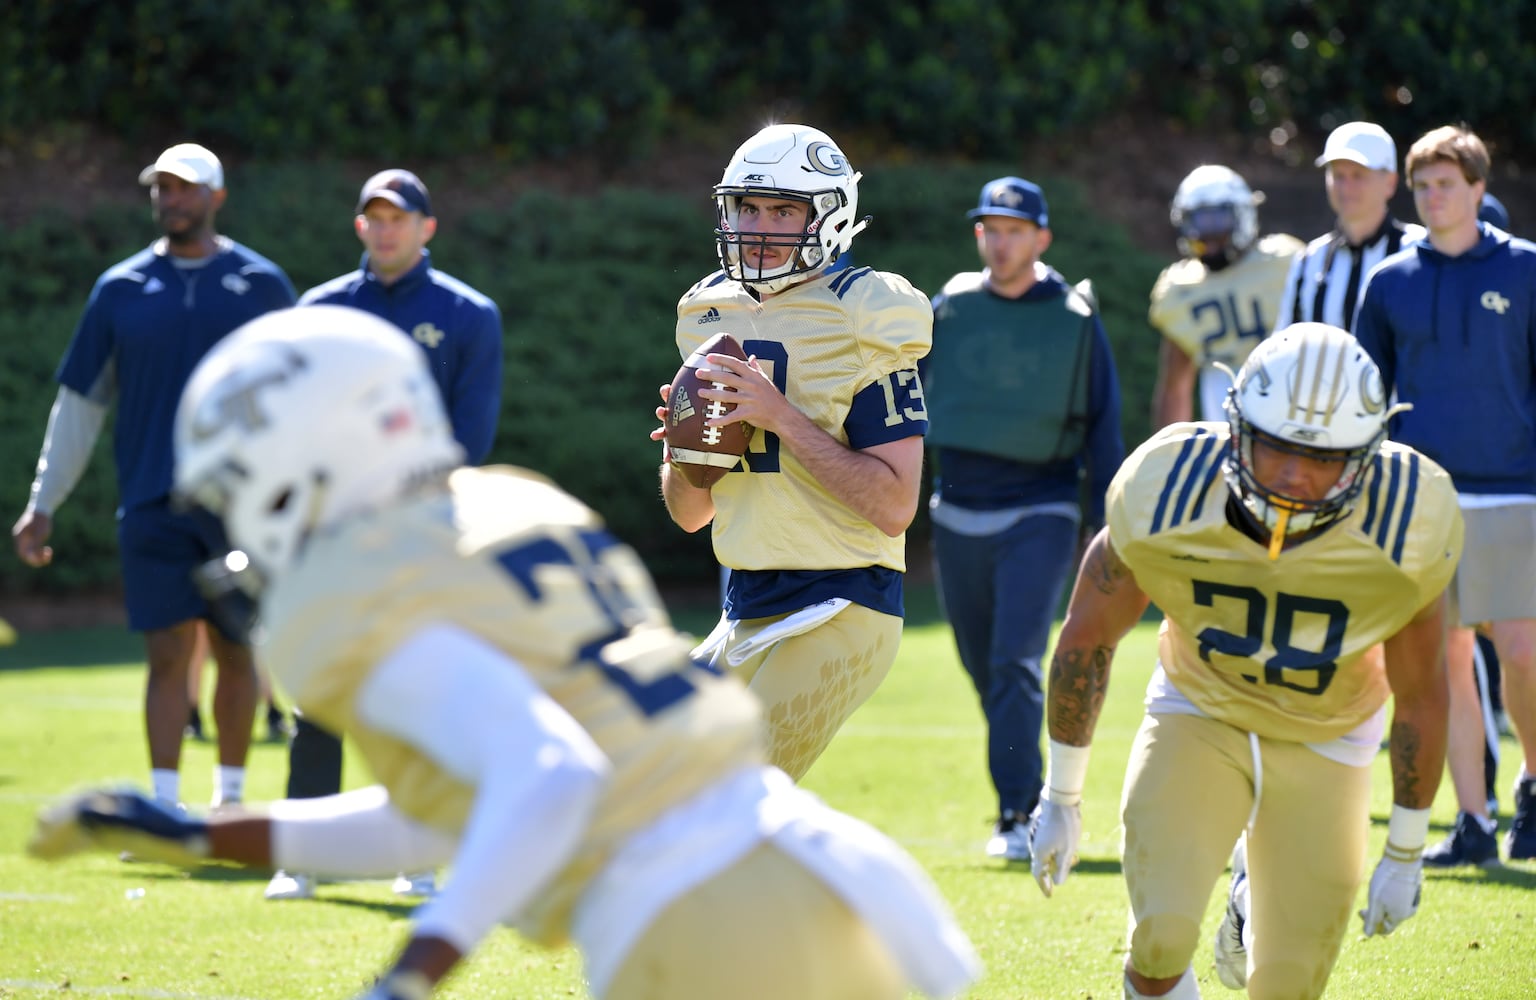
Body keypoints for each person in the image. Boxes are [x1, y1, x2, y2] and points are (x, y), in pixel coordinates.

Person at [27, 304, 980, 1000]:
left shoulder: (365, 595)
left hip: (698, 923)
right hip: (824, 870)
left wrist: (412, 970)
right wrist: (205, 833)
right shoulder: (517, 507)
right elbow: (472, 809)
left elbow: (545, 780)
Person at [1028, 323, 1464, 1000]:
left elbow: (1423, 693)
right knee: (1161, 935)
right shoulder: (1166, 491)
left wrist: (1406, 849)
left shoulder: (1407, 527)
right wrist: (1060, 794)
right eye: (1277, 449)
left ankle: (1247, 898)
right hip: (1198, 709)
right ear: (1236, 429)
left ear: (1367, 455)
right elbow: (1087, 638)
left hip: (1330, 738)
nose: (1294, 476)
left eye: (1323, 458)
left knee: (1287, 985)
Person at [10, 142, 296, 811]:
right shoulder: (120, 290)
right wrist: (43, 501)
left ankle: (229, 804)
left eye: (185, 189)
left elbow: (299, 396)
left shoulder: (262, 286)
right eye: (161, 189)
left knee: (237, 651)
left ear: (217, 197)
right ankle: (165, 806)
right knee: (167, 654)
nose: (171, 200)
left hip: (243, 505)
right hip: (150, 500)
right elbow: (80, 405)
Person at [651, 123, 931, 781]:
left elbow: (894, 505)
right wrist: (689, 450)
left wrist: (779, 417)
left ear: (828, 219)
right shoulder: (707, 311)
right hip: (745, 603)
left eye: (783, 210)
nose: (760, 227)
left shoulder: (864, 309)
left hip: (842, 600)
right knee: (644, 787)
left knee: (730, 803)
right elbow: (688, 513)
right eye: (748, 208)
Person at [268, 167, 505, 902]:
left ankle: (417, 854)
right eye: (374, 216)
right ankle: (300, 855)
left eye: (399, 217)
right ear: (358, 226)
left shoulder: (469, 315)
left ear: (426, 227)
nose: (386, 228)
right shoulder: (320, 309)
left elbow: (471, 436)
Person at [922, 176, 1124, 860]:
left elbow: (1104, 422)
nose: (999, 241)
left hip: (1042, 505)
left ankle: (1017, 811)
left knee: (1014, 661)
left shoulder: (1074, 315)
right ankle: (1026, 784)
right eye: (989, 228)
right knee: (983, 667)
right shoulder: (948, 306)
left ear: (1042, 237)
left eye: (1013, 229)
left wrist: (1107, 525)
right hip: (957, 508)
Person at [1355, 123, 1536, 866]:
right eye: (1422, 185)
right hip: (1424, 500)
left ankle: (1534, 786)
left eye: (1447, 185)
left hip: (1517, 493)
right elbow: (1366, 396)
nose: (1433, 198)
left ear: (1478, 190)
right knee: (1447, 659)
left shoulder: (1527, 271)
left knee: (1523, 650)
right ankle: (1471, 822)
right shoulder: (1390, 280)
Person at [1148, 165, 1302, 427]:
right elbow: (1175, 387)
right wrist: (1170, 453)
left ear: (1242, 214)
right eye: (1197, 220)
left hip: (1295, 411)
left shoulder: (1285, 262)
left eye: (1218, 220)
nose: (1207, 233)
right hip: (1225, 428)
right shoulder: (1181, 287)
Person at [1275, 121, 1425, 333]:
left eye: (1358, 175)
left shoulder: (1419, 249)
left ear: (1390, 182)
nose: (1346, 187)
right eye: (1338, 176)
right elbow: (1285, 345)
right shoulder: (1309, 260)